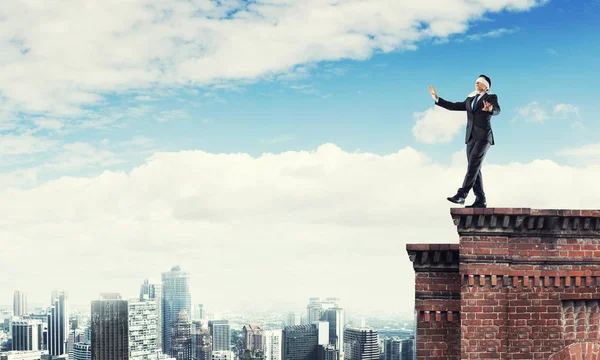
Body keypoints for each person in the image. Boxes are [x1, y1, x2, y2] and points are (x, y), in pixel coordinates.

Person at [428, 75, 501, 208]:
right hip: (470, 137)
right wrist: (437, 98)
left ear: (486, 86)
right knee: (474, 167)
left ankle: (462, 194)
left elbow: (497, 110)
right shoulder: (470, 99)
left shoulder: (491, 97)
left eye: (479, 82)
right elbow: (453, 106)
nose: (476, 83)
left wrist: (490, 109)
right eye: (476, 82)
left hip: (484, 136)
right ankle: (481, 199)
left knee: (473, 164)